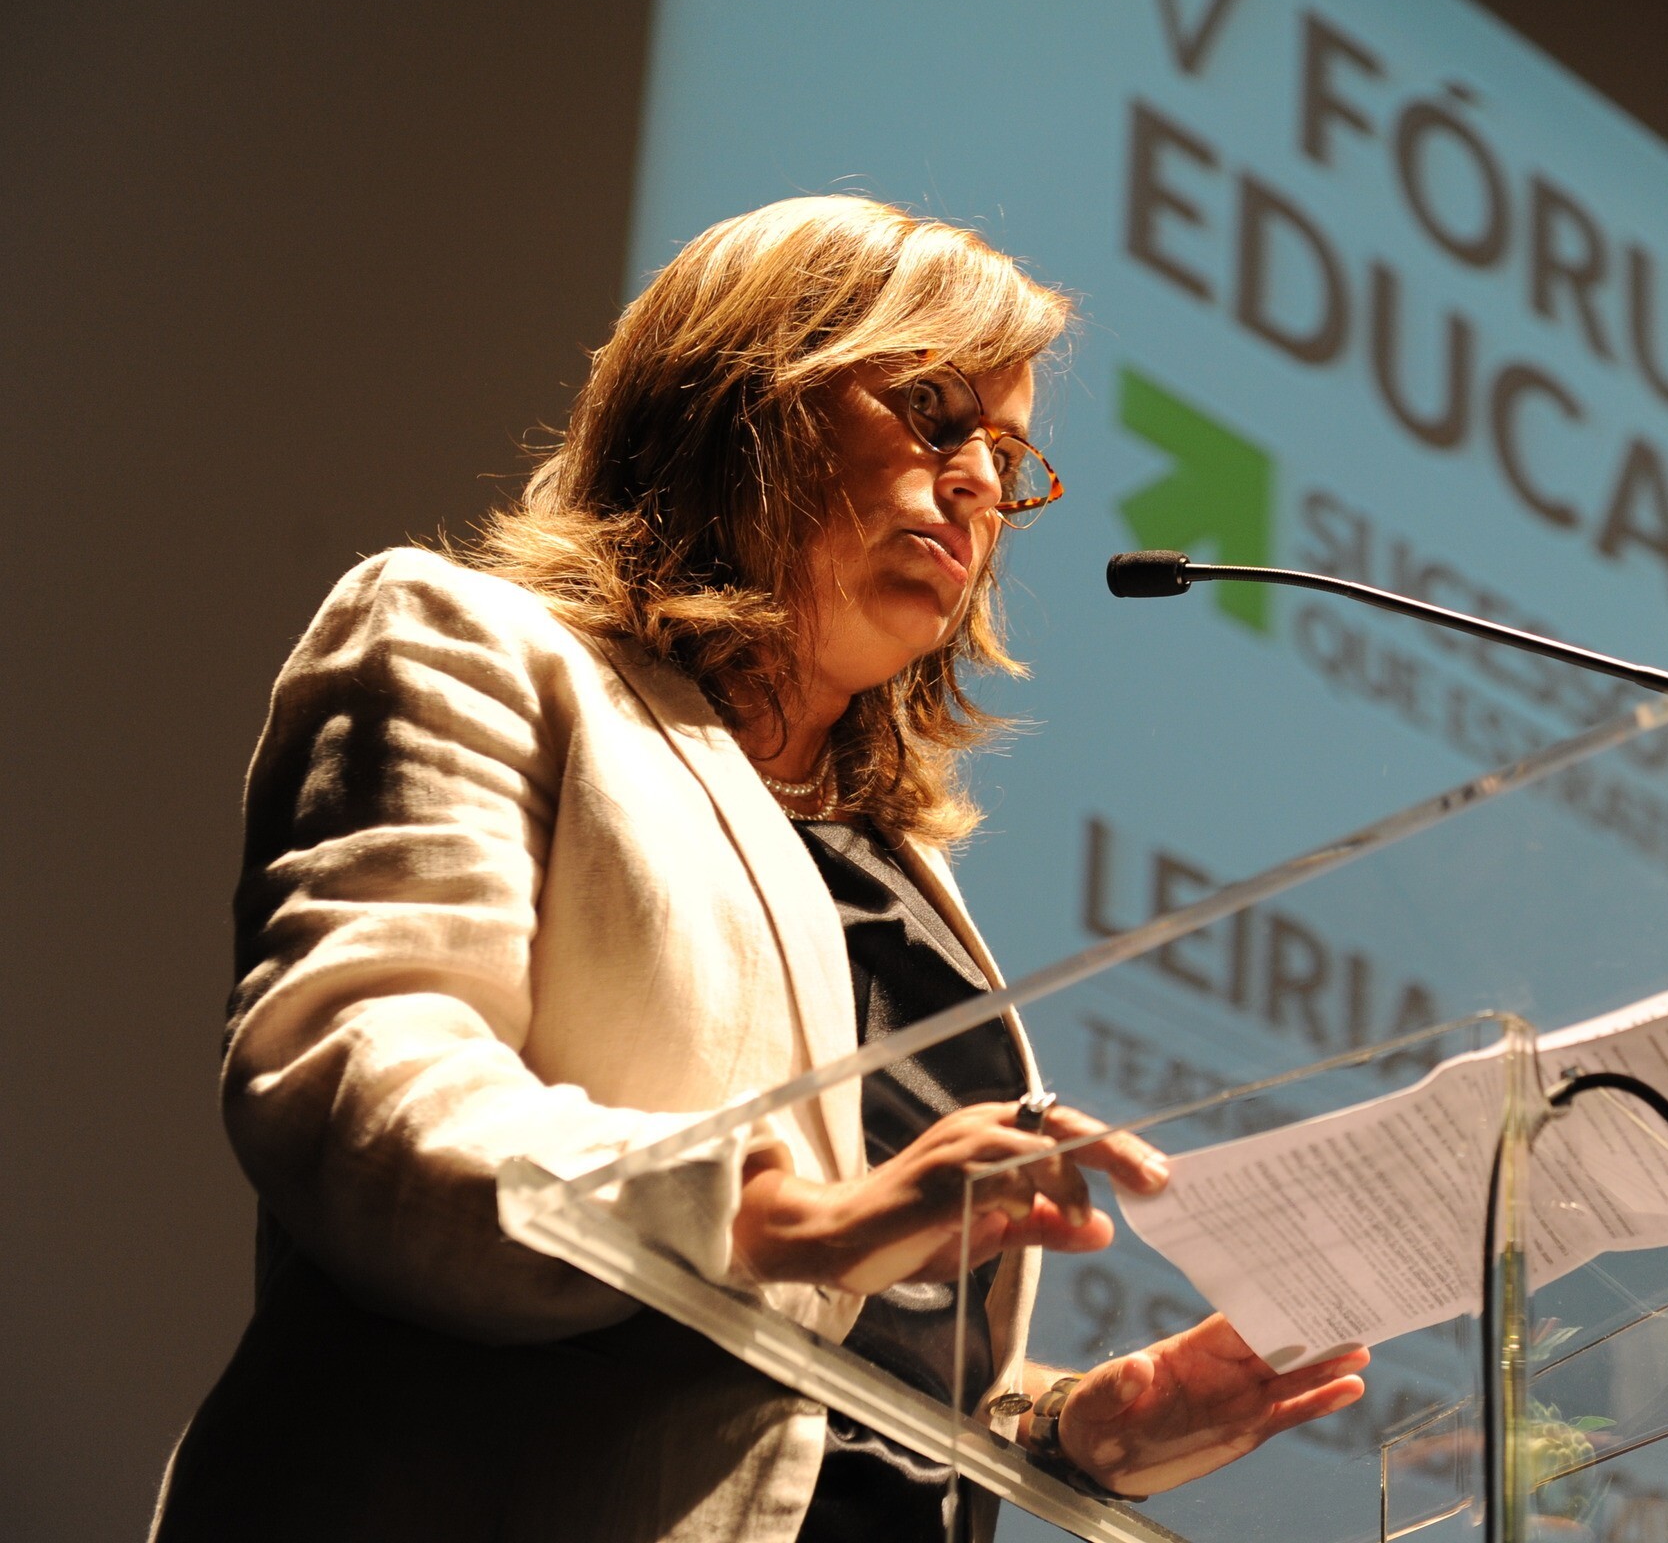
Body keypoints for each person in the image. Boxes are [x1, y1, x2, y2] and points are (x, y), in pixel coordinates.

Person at [151, 197, 1368, 1543]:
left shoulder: (898, 863)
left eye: (1008, 454)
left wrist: (1069, 1428)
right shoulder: (472, 647)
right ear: (744, 398)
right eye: (934, 410)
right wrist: (789, 1217)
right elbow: (356, 1089)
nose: (979, 481)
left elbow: (839, 1360)